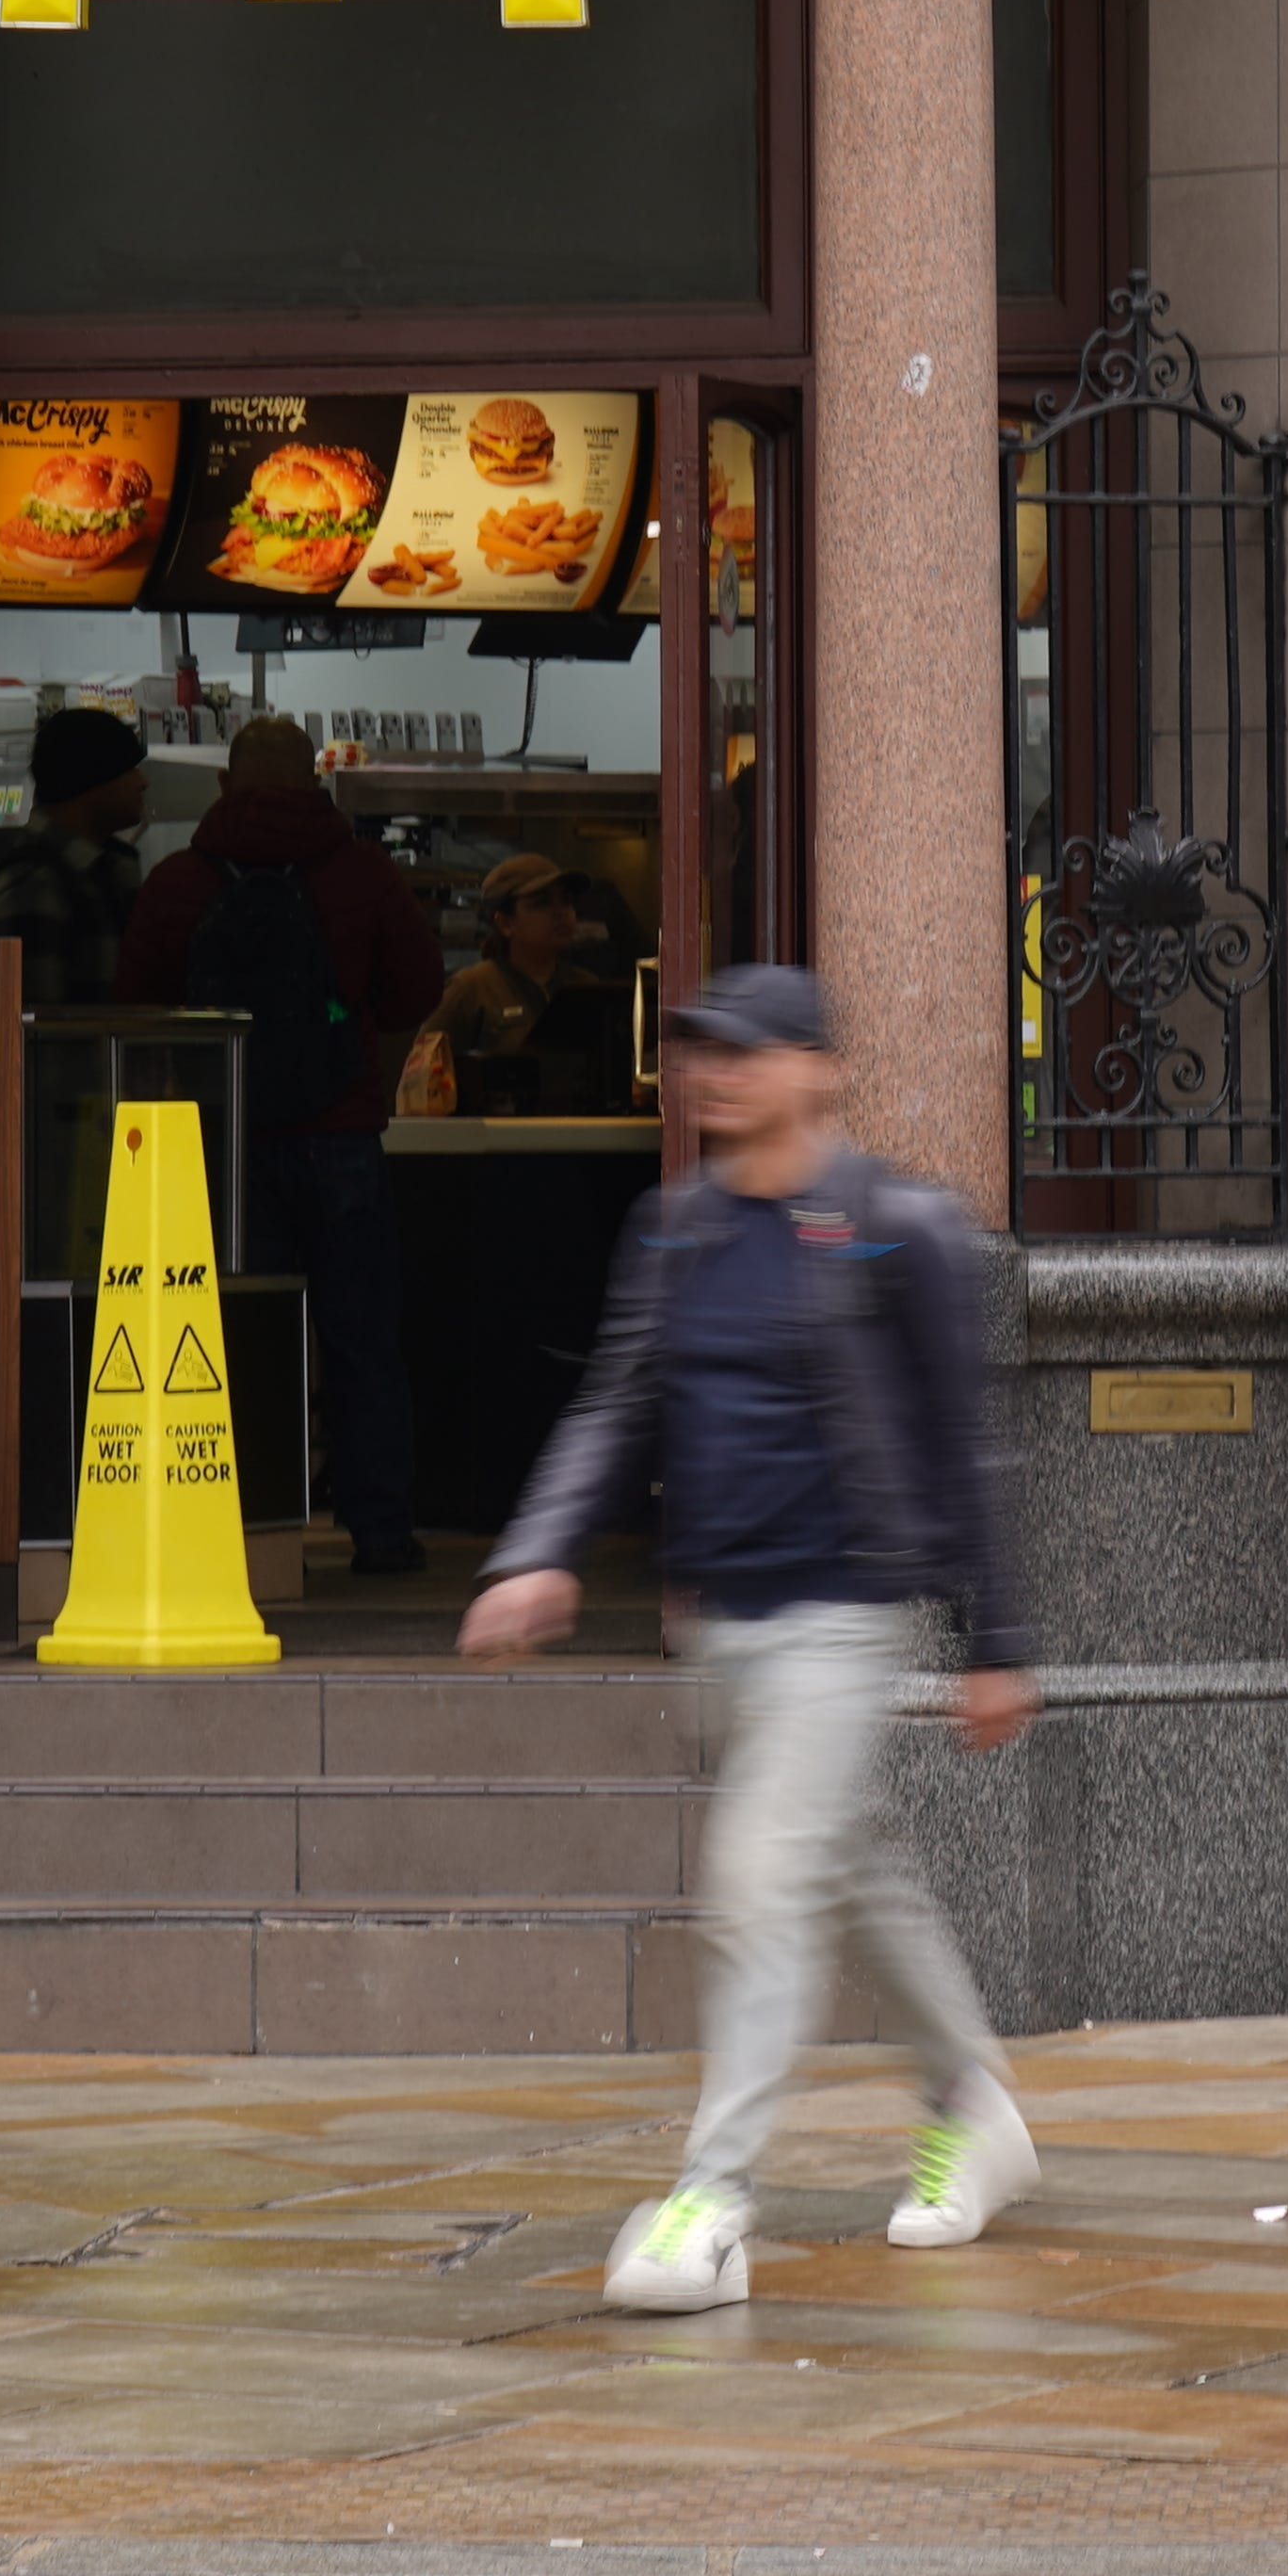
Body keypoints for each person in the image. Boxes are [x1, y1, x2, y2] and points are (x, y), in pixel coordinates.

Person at [462, 964, 1039, 2308]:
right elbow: (616, 1408)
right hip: (727, 1627)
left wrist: (996, 1639)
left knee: (759, 1880)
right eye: (699, 1052)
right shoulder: (676, 1232)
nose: (712, 1074)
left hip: (847, 1616)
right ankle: (976, 2106)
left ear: (817, 1070)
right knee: (845, 1865)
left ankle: (711, 2203)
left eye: (743, 1051)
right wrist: (540, 1553)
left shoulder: (902, 1230)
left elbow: (968, 1452)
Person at [119, 712, 445, 1580]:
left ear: (226, 786)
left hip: (219, 1143)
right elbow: (420, 983)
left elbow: (133, 1006)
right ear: (317, 784)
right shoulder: (365, 875)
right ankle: (380, 1534)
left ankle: (249, 1533)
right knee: (363, 1342)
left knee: (231, 1339)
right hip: (339, 1139)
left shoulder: (180, 881)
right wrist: (361, 1059)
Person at [418, 856, 635, 1118]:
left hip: (580, 1141)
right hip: (496, 1148)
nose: (560, 912)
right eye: (541, 903)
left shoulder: (585, 985)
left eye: (565, 900)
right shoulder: (471, 989)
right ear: (505, 923)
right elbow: (420, 1081)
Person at [0, 703, 152, 1010]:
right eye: (127, 768)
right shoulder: (32, 885)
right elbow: (30, 1033)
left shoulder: (110, 868)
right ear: (90, 780)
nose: (142, 782)